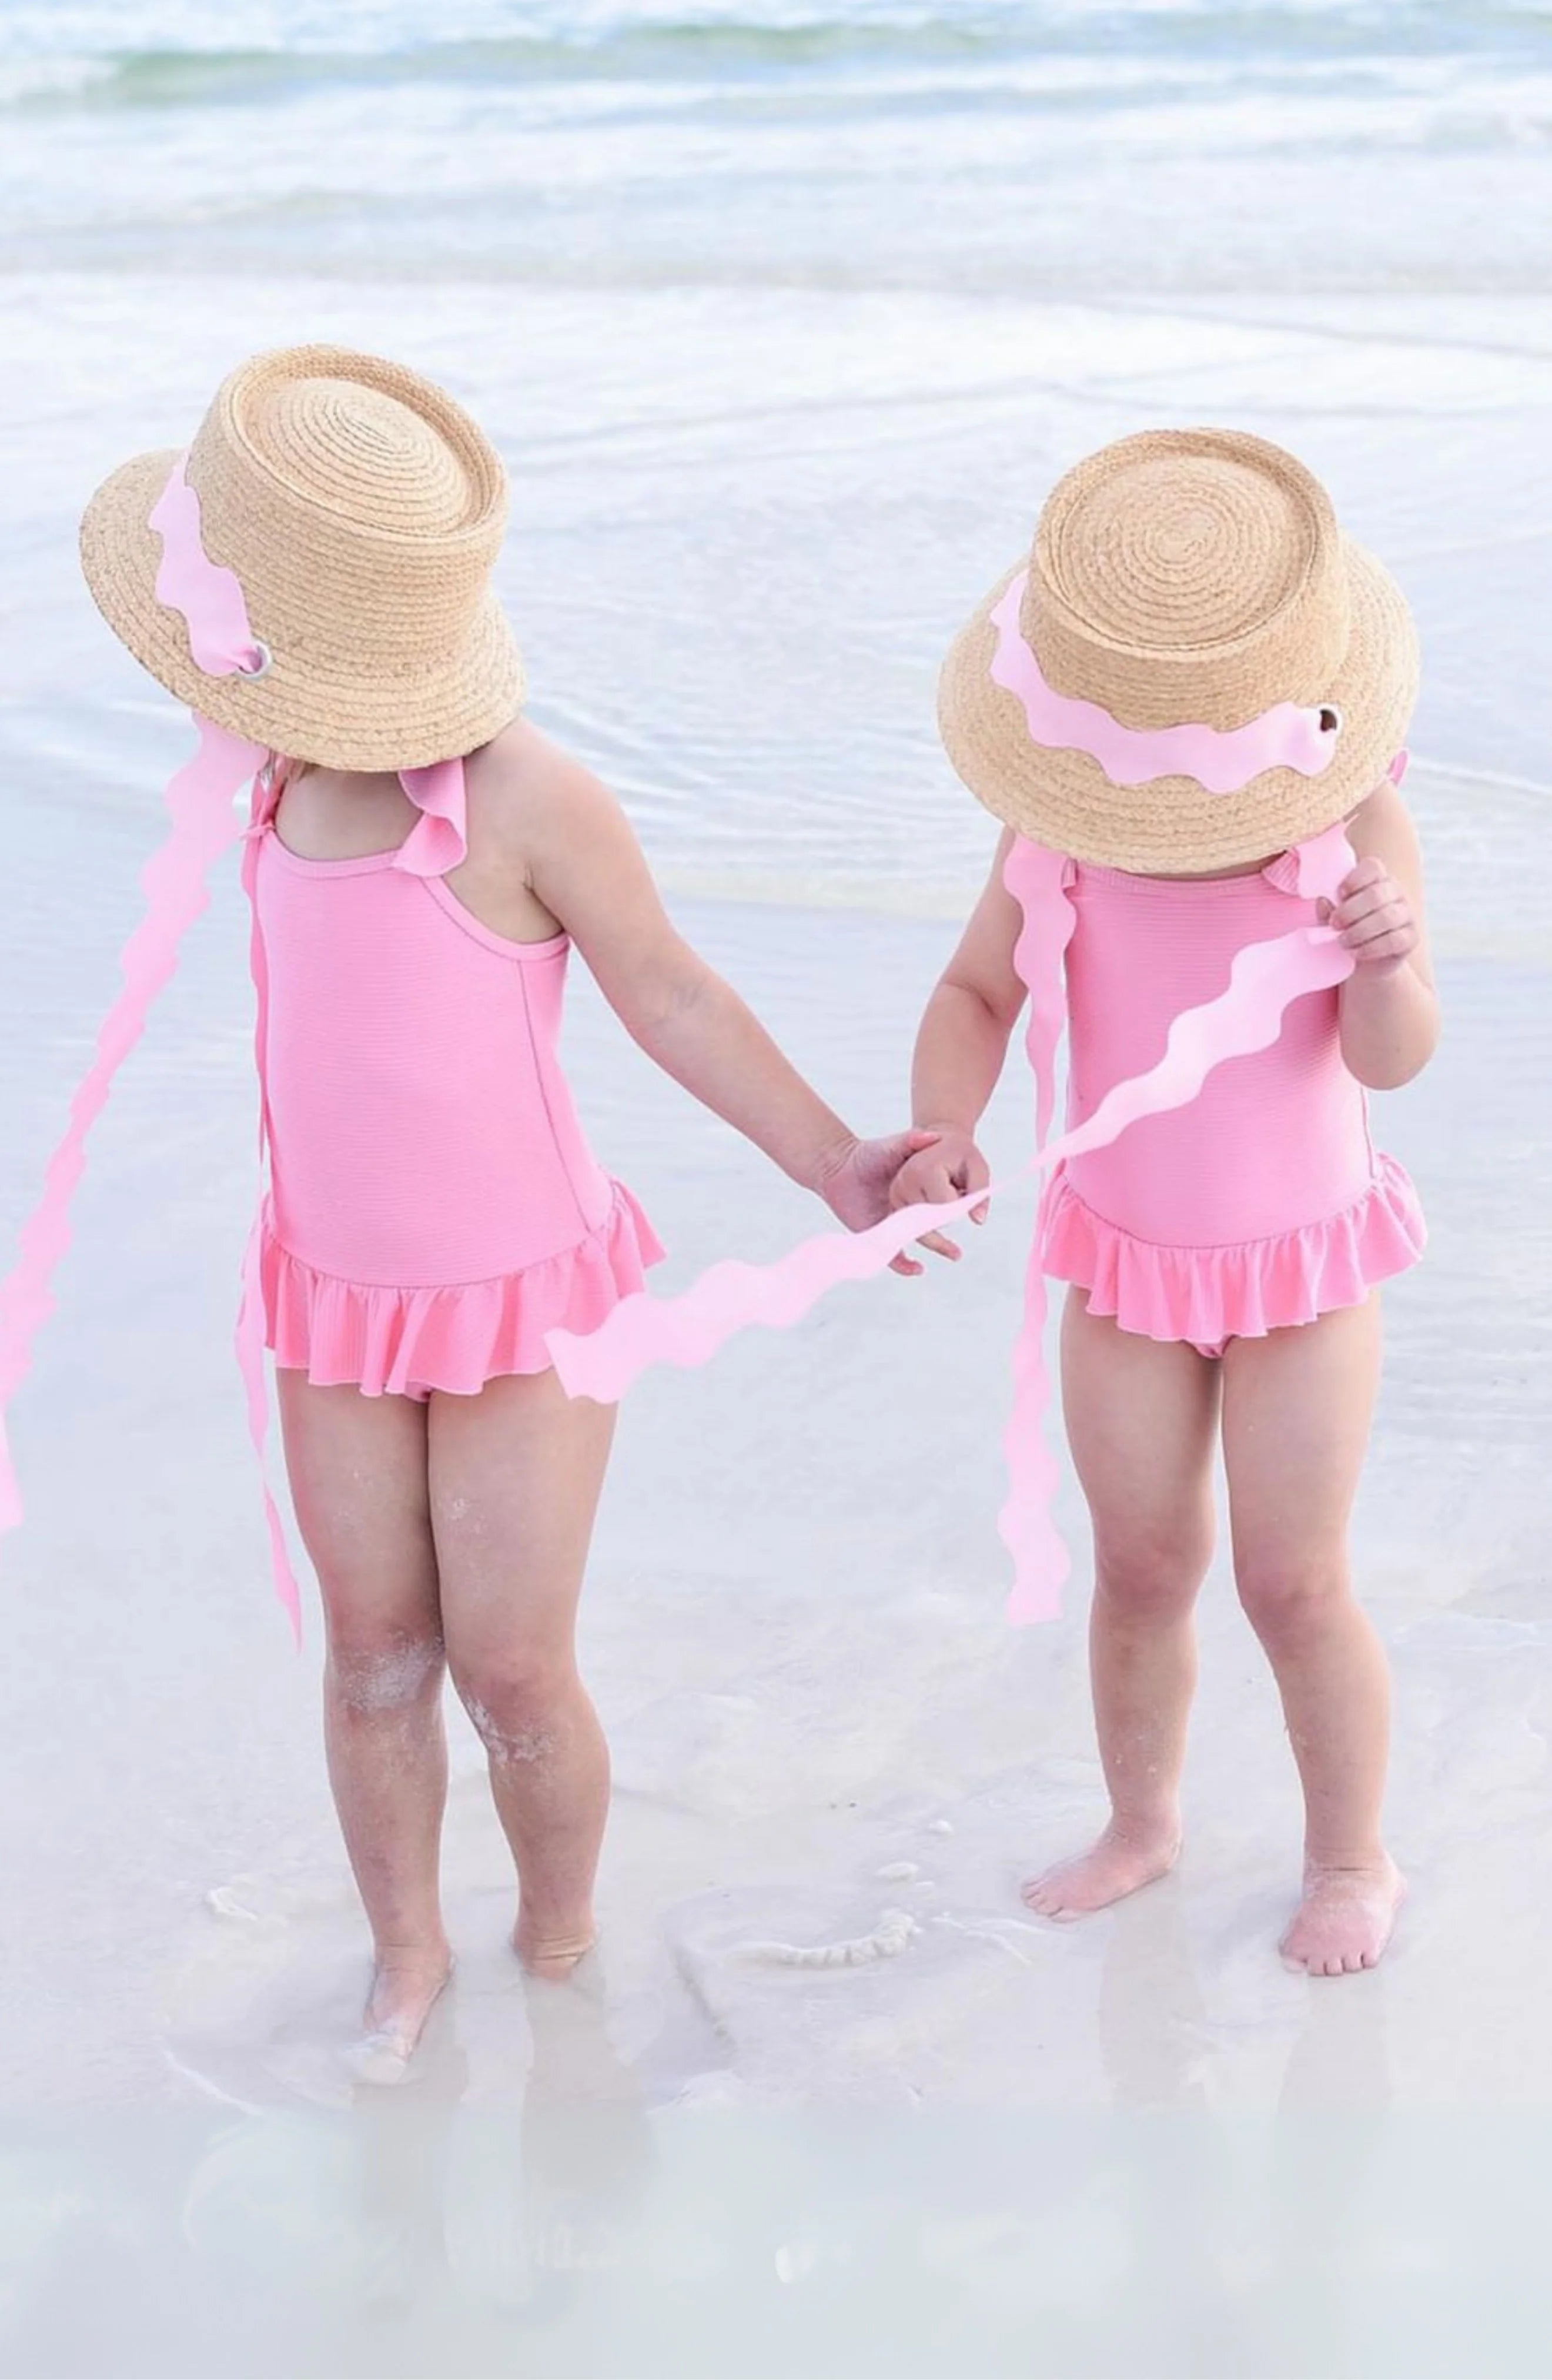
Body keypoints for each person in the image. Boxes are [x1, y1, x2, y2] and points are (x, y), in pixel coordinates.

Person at [59, 345, 940, 2071]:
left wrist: (837, 1161)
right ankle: (407, 1958)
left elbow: (670, 995)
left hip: (529, 1305)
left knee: (515, 1672)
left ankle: (560, 1936)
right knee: (374, 1652)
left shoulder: (532, 801)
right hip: (333, 1298)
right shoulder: (270, 777)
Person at [892, 428, 1437, 1977]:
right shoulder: (1058, 831)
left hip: (1305, 1275)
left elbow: (1392, 1063)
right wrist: (945, 1123)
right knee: (1140, 1565)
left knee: (1294, 1579)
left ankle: (1354, 1855)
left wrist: (1388, 960)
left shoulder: (1347, 835)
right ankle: (1142, 1822)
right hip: (1122, 1265)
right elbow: (973, 991)